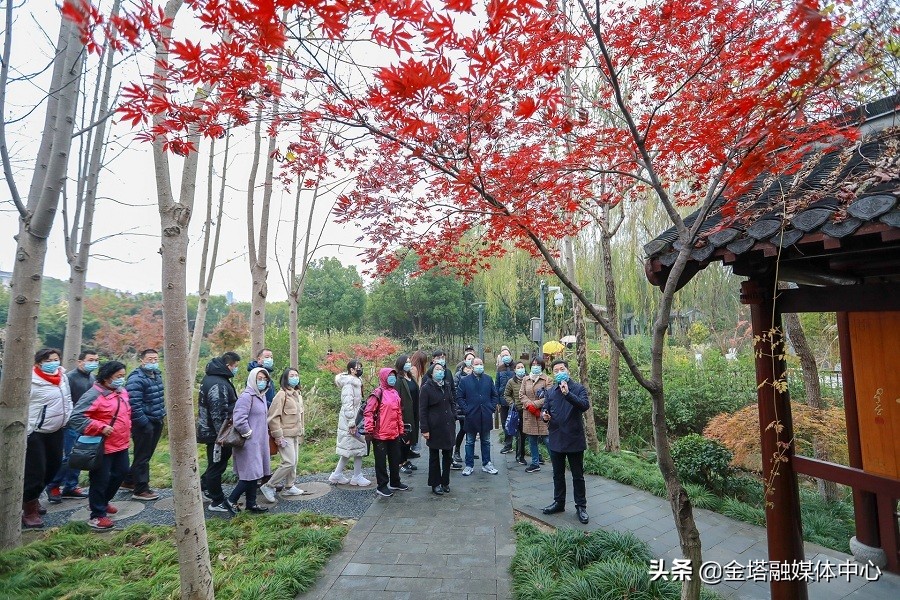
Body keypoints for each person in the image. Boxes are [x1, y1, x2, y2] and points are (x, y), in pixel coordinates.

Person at [69, 361, 132, 530]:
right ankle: (97, 515)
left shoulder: (122, 391)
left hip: (121, 443)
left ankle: (102, 501)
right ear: (106, 377)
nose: (121, 379)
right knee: (100, 479)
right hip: (101, 445)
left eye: (123, 376)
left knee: (121, 473)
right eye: (118, 376)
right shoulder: (93, 394)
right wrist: (100, 427)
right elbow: (76, 418)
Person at [23, 348, 73, 528]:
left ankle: (33, 497)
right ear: (38, 363)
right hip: (36, 432)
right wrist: (28, 428)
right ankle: (29, 509)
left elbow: (67, 398)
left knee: (54, 466)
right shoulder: (31, 380)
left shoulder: (62, 377)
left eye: (56, 359)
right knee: (35, 471)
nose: (54, 363)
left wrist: (68, 416)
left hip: (56, 430)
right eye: (48, 360)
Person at [541, 359, 591, 524]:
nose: (559, 372)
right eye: (555, 371)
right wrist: (544, 416)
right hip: (556, 437)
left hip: (574, 438)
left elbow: (584, 405)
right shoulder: (550, 392)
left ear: (568, 371)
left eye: (561, 369)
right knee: (558, 474)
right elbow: (545, 409)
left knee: (578, 475)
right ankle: (559, 502)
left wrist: (567, 394)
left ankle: (581, 506)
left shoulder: (578, 388)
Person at [46, 349, 98, 503]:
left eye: (96, 360)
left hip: (87, 423)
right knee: (69, 457)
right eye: (90, 360)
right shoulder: (69, 378)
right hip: (71, 424)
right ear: (80, 362)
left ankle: (71, 486)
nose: (94, 363)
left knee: (81, 456)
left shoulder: (93, 378)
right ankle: (53, 485)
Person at [197, 351, 241, 514]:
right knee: (217, 465)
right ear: (228, 365)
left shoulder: (213, 378)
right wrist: (223, 436)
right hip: (217, 434)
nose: (235, 369)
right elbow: (218, 412)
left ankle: (205, 486)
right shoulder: (218, 383)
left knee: (214, 463)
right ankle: (217, 500)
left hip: (211, 431)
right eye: (235, 366)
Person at [227, 367, 272, 513]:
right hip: (249, 443)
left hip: (259, 442)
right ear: (253, 379)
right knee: (249, 475)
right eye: (259, 379)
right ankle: (231, 500)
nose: (262, 381)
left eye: (265, 379)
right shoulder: (246, 396)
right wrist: (248, 433)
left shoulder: (261, 396)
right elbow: (239, 419)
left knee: (255, 474)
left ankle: (251, 504)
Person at [123, 348, 165, 501]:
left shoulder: (156, 375)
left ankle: (129, 480)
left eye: (155, 359)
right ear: (142, 360)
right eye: (149, 359)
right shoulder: (136, 378)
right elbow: (134, 404)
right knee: (143, 456)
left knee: (146, 454)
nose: (153, 362)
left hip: (156, 419)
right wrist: (144, 423)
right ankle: (141, 489)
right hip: (144, 423)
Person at [261, 367, 307, 502]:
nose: (295, 378)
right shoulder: (281, 395)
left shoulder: (297, 395)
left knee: (294, 462)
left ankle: (289, 486)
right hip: (284, 434)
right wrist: (278, 436)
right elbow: (273, 417)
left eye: (296, 375)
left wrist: (301, 431)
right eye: (291, 375)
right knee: (289, 462)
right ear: (285, 378)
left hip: (295, 433)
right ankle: (269, 485)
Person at [365, 367, 408, 497]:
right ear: (384, 377)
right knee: (381, 462)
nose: (392, 378)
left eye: (393, 376)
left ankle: (395, 481)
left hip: (394, 433)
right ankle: (382, 486)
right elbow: (369, 412)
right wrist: (369, 429)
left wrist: (401, 429)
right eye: (389, 376)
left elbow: (398, 413)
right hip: (380, 434)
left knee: (395, 459)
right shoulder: (378, 393)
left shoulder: (395, 393)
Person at [455, 357, 499, 476]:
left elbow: (494, 395)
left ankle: (487, 463)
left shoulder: (488, 379)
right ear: (472, 366)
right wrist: (466, 409)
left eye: (481, 363)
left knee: (486, 441)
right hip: (471, 415)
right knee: (469, 441)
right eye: (476, 364)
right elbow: (459, 397)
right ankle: (469, 465)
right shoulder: (465, 380)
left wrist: (491, 407)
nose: (479, 366)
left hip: (485, 414)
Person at [419, 363, 457, 495]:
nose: (440, 371)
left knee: (448, 454)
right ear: (431, 372)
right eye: (437, 369)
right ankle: (435, 483)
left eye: (442, 369)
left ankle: (445, 481)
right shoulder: (426, 388)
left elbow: (452, 401)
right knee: (434, 456)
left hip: (448, 425)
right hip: (434, 426)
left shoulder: (446, 385)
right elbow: (422, 410)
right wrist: (424, 429)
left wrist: (453, 414)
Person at [329, 360, 370, 486]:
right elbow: (348, 405)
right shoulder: (349, 384)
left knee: (352, 448)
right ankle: (356, 476)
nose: (360, 369)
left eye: (361, 367)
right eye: (358, 367)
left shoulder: (356, 382)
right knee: (357, 447)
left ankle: (337, 475)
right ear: (351, 370)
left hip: (354, 418)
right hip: (351, 419)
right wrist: (352, 423)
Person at [519, 357, 550, 471]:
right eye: (533, 364)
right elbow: (521, 395)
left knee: (547, 440)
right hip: (529, 414)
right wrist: (529, 405)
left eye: (538, 365)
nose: (535, 366)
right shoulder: (525, 379)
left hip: (542, 413)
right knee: (532, 440)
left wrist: (535, 405)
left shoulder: (547, 379)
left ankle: (557, 463)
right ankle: (535, 463)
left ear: (542, 366)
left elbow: (549, 396)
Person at [394, 354, 420, 475]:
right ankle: (400, 463)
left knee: (411, 436)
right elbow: (396, 397)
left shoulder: (410, 377)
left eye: (409, 362)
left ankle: (405, 460)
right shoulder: (398, 379)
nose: (409, 364)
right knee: (404, 438)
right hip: (404, 412)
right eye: (406, 362)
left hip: (413, 410)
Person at [502, 360, 527, 456]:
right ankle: (520, 455)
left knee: (531, 434)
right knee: (520, 434)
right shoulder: (511, 382)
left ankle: (537, 456)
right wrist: (512, 403)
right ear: (515, 370)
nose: (521, 369)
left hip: (529, 410)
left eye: (522, 367)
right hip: (518, 410)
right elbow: (506, 394)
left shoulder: (529, 380)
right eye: (518, 368)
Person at [495, 347, 515, 454]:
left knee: (515, 422)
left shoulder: (517, 366)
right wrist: (497, 401)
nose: (505, 357)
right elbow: (497, 385)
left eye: (506, 355)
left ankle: (518, 446)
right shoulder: (500, 369)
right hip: (503, 401)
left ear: (510, 355)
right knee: (504, 423)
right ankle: (508, 444)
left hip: (515, 401)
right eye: (503, 356)